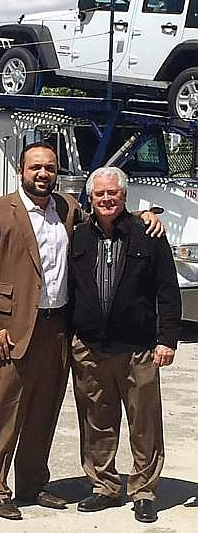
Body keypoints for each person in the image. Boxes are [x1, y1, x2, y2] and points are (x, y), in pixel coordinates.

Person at [0, 143, 162, 521]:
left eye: (50, 168)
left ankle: (33, 483)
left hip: (58, 329)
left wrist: (145, 215)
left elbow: (107, 213)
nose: (43, 174)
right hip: (12, 330)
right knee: (6, 412)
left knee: (44, 411)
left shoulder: (68, 208)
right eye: (36, 167)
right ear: (21, 170)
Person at [70, 166, 180, 524]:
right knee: (98, 421)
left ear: (124, 196)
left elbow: (167, 291)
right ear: (90, 198)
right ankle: (103, 486)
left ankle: (144, 491)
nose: (106, 199)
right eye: (99, 194)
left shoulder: (148, 234)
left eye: (112, 193)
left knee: (144, 422)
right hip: (90, 348)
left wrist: (167, 340)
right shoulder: (78, 237)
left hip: (140, 349)